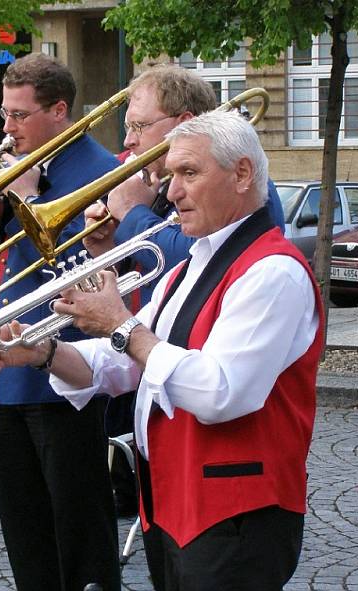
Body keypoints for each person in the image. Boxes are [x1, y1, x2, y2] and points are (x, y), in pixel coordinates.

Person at [0, 110, 322, 591]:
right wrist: (44, 353)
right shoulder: (188, 264)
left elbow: (219, 392)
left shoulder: (273, 272)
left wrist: (120, 323)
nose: (172, 192)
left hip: (237, 513)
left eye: (189, 173)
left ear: (242, 175)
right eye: (169, 176)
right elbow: (124, 363)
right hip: (170, 502)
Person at [82, 65, 287, 515]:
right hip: (170, 454)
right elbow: (166, 278)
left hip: (228, 479)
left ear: (182, 122)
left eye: (138, 126)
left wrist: (133, 217)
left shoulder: (247, 191)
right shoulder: (160, 188)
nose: (129, 141)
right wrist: (108, 248)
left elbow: (200, 258)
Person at [0, 52, 122, 591]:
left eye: (18, 116)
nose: (5, 129)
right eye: (3, 115)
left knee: (78, 529)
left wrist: (30, 201)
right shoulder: (22, 163)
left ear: (59, 110)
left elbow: (83, 276)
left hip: (66, 376)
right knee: (23, 528)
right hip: (6, 370)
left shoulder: (101, 173)